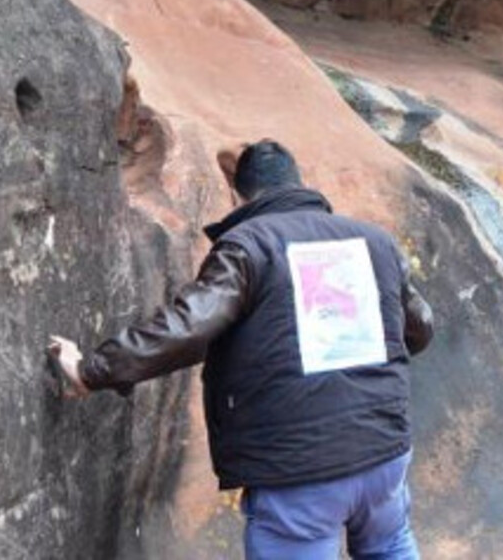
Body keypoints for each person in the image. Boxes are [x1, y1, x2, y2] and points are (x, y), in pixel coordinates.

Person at [46, 140, 435, 560]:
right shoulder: (375, 243)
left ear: (239, 195)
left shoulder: (248, 246)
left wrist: (92, 369)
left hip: (298, 470)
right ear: (298, 183)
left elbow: (188, 326)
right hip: (384, 455)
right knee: (390, 545)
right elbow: (420, 328)